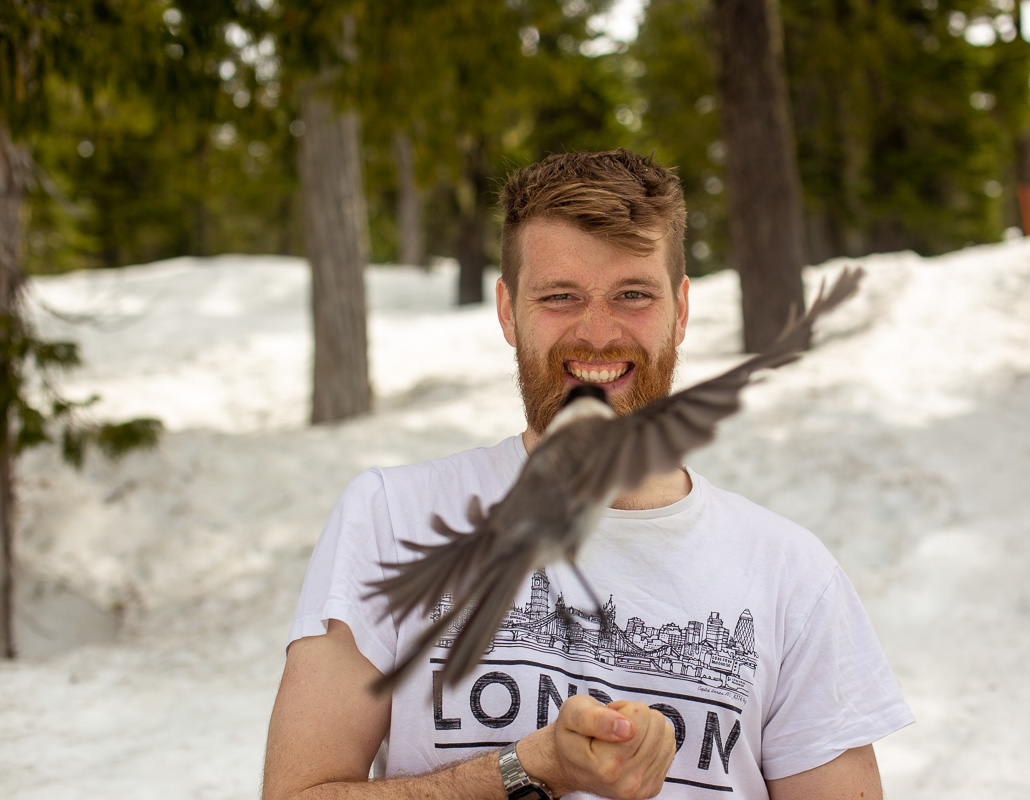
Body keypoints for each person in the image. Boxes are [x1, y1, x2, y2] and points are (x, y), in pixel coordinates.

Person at [262, 149, 913, 800]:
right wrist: (527, 769)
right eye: (560, 297)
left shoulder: (792, 576)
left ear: (680, 312)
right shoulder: (392, 518)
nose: (598, 335)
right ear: (508, 310)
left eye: (632, 295)